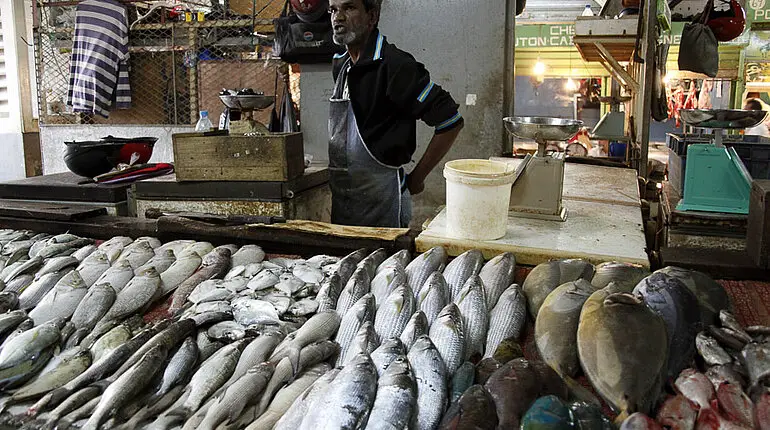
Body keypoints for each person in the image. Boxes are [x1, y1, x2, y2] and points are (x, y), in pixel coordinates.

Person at [327, 0, 464, 228]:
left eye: (349, 8)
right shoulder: (341, 65)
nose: (337, 18)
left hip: (383, 204)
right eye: (332, 9)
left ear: (372, 16)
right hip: (344, 203)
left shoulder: (395, 66)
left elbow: (450, 121)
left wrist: (417, 178)